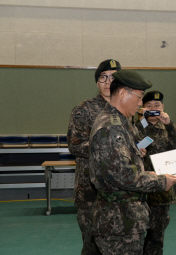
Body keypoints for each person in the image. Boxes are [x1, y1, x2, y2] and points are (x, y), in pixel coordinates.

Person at [89, 70, 176, 255]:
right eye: (139, 97)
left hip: (123, 217)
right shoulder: (112, 127)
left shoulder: (120, 122)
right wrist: (161, 181)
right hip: (119, 221)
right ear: (122, 93)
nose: (140, 103)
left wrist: (148, 173)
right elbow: (123, 176)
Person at [67, 59, 121, 255]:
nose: (108, 82)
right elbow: (74, 146)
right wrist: (107, 146)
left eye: (113, 78)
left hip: (119, 189)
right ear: (97, 82)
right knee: (92, 245)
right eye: (103, 78)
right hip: (91, 190)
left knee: (115, 245)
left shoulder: (125, 110)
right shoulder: (84, 109)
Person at [135, 90, 176, 255]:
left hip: (162, 189)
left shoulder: (169, 127)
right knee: (137, 235)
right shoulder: (138, 126)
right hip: (140, 190)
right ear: (143, 108)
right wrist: (142, 119)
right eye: (149, 106)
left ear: (163, 107)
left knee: (157, 235)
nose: (153, 109)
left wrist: (169, 124)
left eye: (157, 106)